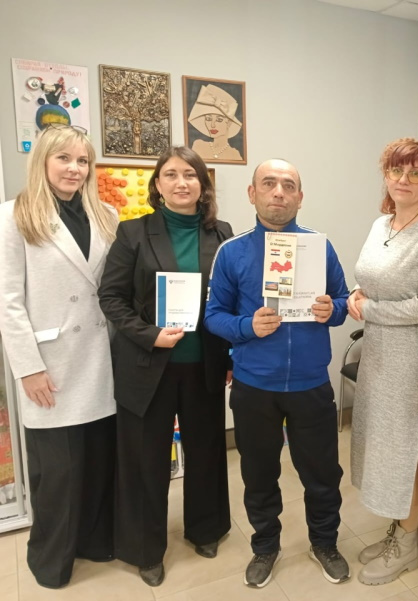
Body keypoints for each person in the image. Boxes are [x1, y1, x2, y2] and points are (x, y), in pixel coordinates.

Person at [204, 159, 351, 588]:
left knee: (323, 475)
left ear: (300, 197)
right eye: (269, 184)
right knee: (259, 475)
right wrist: (246, 326)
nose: (279, 192)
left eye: (289, 185)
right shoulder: (232, 251)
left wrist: (331, 310)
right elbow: (213, 315)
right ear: (253, 194)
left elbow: (343, 301)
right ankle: (266, 546)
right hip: (254, 387)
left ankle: (324, 542)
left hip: (311, 384)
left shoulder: (320, 247)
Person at [98, 146, 233, 587]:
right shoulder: (133, 232)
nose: (181, 182)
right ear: (157, 184)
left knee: (207, 452)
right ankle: (145, 549)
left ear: (203, 184)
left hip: (204, 364)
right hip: (147, 365)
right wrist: (148, 334)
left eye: (190, 174)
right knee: (145, 460)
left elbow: (230, 297)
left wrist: (231, 354)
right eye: (171, 174)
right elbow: (111, 298)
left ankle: (206, 528)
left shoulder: (222, 233)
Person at [0, 125, 119, 588]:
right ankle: (51, 560)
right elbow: (8, 302)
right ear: (43, 161)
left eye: (83, 161)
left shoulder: (106, 214)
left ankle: (95, 542)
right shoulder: (14, 216)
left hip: (101, 357)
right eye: (64, 159)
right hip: (52, 363)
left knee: (98, 463)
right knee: (58, 474)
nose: (74, 168)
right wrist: (28, 368)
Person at [347, 138, 418, 585]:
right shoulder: (381, 224)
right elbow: (369, 278)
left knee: (407, 448)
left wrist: (369, 309)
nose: (404, 180)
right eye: (396, 170)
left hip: (412, 357)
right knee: (383, 445)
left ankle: (408, 543)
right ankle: (401, 526)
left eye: (416, 173)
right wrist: (356, 294)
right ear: (385, 174)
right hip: (377, 353)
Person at [187, 84, 244, 162]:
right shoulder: (198, 145)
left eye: (219, 120)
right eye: (208, 119)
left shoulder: (235, 154)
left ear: (229, 122)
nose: (212, 125)